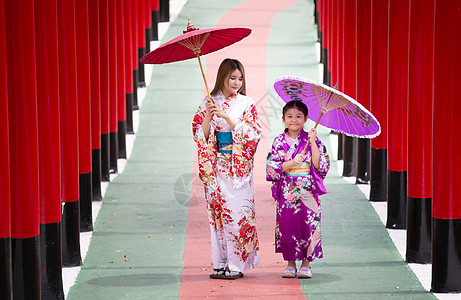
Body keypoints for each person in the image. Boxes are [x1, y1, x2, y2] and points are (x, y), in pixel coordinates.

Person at [192, 58, 261, 279]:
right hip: (216, 166)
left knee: (236, 214)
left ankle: (237, 264)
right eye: (232, 77)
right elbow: (199, 135)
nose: (237, 82)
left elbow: (252, 134)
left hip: (238, 168)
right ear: (223, 76)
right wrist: (210, 115)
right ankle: (220, 262)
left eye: (240, 78)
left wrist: (227, 118)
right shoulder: (208, 102)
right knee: (218, 214)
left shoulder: (246, 103)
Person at [266, 100, 330, 278]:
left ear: (306, 119)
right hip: (287, 189)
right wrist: (292, 163)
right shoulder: (279, 141)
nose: (294, 120)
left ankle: (306, 264)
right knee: (288, 226)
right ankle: (290, 263)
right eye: (290, 116)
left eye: (298, 117)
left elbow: (319, 166)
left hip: (307, 189)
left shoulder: (312, 139)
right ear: (283, 119)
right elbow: (272, 167)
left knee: (308, 225)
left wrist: (313, 143)